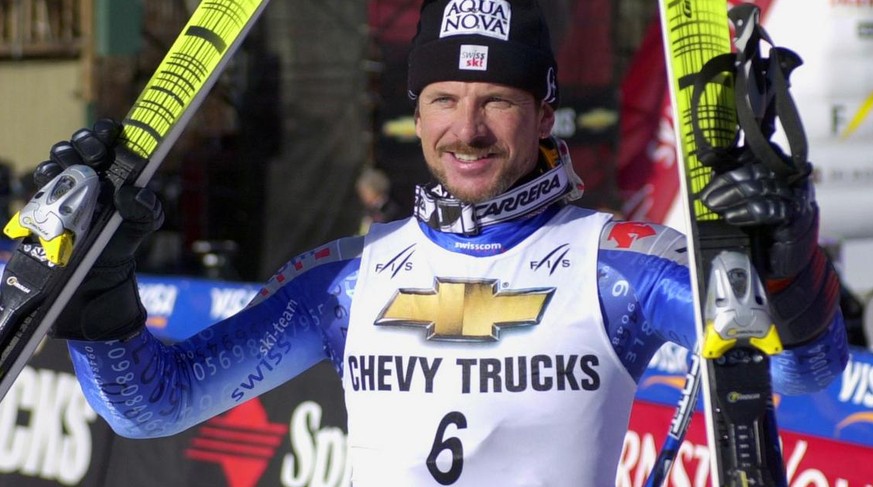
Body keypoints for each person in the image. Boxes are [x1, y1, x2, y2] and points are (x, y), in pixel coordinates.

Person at [37, 1, 846, 484]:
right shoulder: (346, 279)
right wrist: (100, 296)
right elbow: (153, 406)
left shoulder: (617, 266)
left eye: (495, 100)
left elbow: (804, 370)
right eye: (444, 98)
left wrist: (785, 256)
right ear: (415, 111)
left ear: (541, 113)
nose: (465, 129)